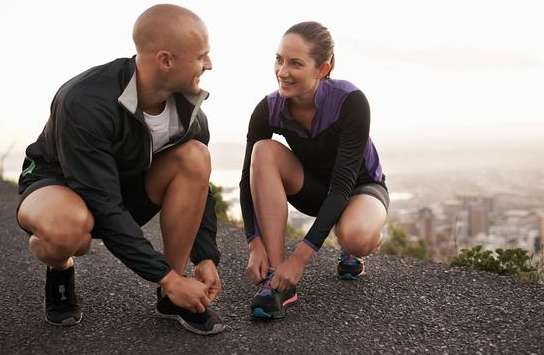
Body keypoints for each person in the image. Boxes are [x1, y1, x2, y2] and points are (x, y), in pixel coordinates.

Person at [15, 5, 225, 335]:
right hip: (59, 185)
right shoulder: (84, 100)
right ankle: (60, 268)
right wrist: (167, 278)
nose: (209, 65)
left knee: (195, 156)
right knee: (69, 230)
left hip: (125, 188)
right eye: (202, 56)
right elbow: (101, 201)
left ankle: (172, 299)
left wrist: (205, 257)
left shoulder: (191, 114)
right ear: (166, 60)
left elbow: (201, 188)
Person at [240, 21, 389, 319]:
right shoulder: (268, 108)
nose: (282, 71)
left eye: (295, 63)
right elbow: (248, 178)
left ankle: (359, 242)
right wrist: (254, 242)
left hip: (358, 189)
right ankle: (277, 279)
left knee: (355, 237)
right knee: (263, 151)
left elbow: (343, 184)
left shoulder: (350, 101)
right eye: (279, 59)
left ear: (322, 68)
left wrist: (301, 259)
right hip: (312, 189)